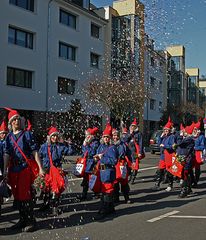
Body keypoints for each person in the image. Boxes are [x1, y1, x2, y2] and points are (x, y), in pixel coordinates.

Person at [3, 108, 44, 232]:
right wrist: (5, 170)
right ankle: (22, 220)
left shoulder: (27, 134)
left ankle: (31, 221)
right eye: (14, 119)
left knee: (26, 195)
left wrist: (41, 168)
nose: (16, 121)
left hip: (25, 168)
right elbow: (6, 154)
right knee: (18, 196)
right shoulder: (9, 137)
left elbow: (34, 151)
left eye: (18, 119)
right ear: (10, 123)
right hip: (13, 169)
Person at [39, 126, 74, 216]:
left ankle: (55, 208)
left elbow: (69, 152)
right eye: (53, 136)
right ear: (49, 137)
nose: (54, 138)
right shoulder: (44, 146)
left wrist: (69, 144)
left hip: (56, 171)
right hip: (47, 171)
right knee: (46, 189)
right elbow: (39, 156)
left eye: (56, 136)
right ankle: (46, 204)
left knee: (55, 190)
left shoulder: (60, 146)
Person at [94, 123, 118, 218]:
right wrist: (97, 158)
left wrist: (102, 157)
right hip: (102, 170)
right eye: (105, 137)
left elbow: (113, 161)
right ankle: (110, 208)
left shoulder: (112, 148)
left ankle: (105, 209)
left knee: (106, 190)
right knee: (103, 189)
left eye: (108, 137)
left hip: (109, 171)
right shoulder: (101, 146)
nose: (106, 139)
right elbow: (97, 155)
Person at [79, 127, 99, 201]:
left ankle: (97, 193)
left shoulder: (95, 142)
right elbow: (84, 152)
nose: (87, 136)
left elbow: (92, 153)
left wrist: (86, 145)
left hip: (92, 163)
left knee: (93, 179)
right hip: (87, 163)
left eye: (88, 135)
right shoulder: (87, 142)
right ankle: (84, 194)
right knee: (85, 180)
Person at [112, 128, 132, 204]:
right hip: (114, 164)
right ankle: (116, 198)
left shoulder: (123, 144)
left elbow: (129, 154)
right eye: (114, 135)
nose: (115, 137)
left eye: (116, 135)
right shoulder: (110, 145)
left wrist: (131, 163)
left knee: (124, 182)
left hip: (122, 163)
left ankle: (126, 197)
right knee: (115, 182)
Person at [176, 123, 195, 198]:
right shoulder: (187, 139)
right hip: (186, 158)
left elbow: (179, 143)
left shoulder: (188, 139)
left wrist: (180, 136)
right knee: (186, 174)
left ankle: (184, 190)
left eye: (185, 131)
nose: (183, 132)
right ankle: (189, 189)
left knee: (184, 175)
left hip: (187, 159)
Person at [127, 118, 144, 184]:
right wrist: (130, 134)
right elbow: (125, 140)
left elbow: (141, 143)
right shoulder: (129, 133)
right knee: (129, 165)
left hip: (135, 152)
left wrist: (140, 152)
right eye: (132, 126)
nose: (133, 127)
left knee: (135, 165)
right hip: (129, 152)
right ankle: (130, 177)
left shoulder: (139, 134)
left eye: (134, 126)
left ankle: (133, 178)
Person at [191, 120, 204, 187]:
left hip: (197, 154)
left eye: (196, 129)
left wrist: (196, 147)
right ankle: (192, 180)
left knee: (197, 168)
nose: (195, 130)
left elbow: (202, 146)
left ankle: (196, 181)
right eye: (194, 129)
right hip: (191, 153)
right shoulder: (191, 136)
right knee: (189, 167)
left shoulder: (201, 137)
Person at [0, 120, 8, 215]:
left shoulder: (8, 142)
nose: (3, 135)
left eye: (5, 133)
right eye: (2, 134)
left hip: (4, 167)